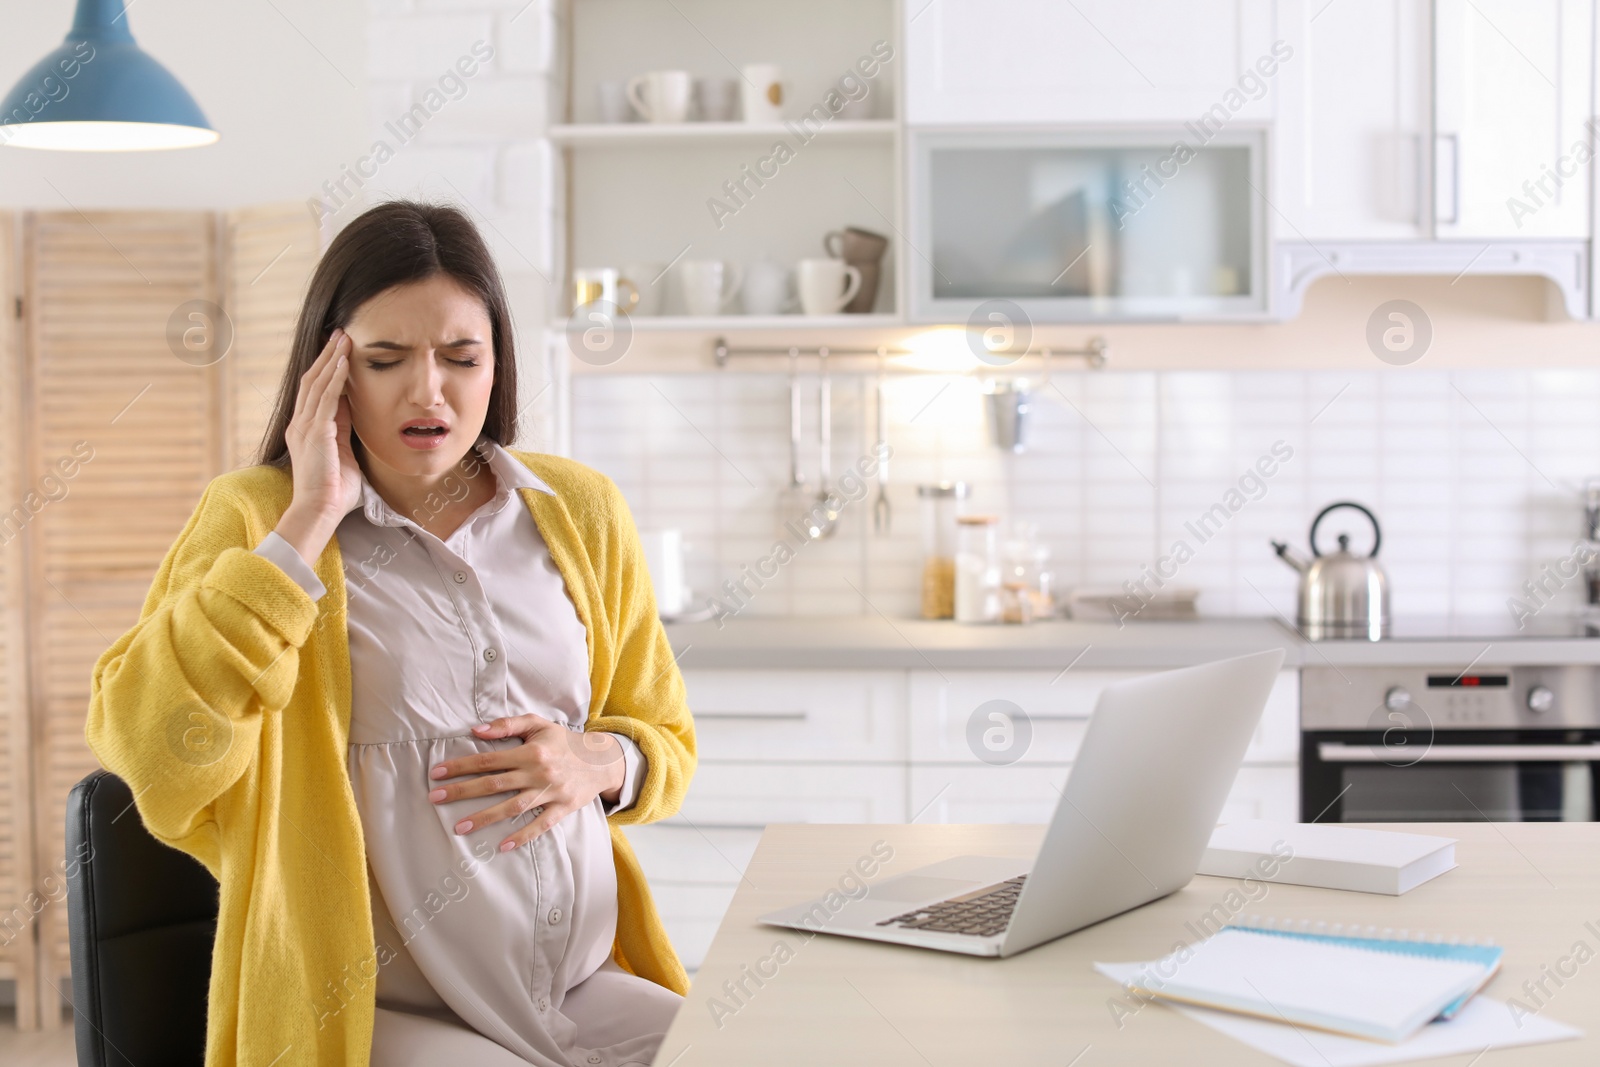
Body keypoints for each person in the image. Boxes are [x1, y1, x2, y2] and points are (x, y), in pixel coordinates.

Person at [84, 200, 695, 1066]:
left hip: (576, 991)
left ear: (497, 365)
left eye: (460, 357)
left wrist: (604, 760)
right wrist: (304, 524)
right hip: (375, 1012)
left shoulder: (580, 511)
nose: (428, 391)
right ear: (327, 374)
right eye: (384, 359)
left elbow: (664, 734)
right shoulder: (257, 519)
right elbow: (152, 749)